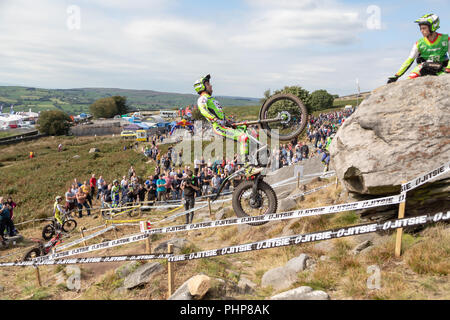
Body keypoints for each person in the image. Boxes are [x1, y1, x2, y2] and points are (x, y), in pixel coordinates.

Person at [194, 74, 262, 177]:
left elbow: (222, 116)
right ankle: (247, 168)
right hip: (219, 127)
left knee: (250, 132)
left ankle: (256, 160)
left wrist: (230, 122)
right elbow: (204, 111)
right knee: (243, 137)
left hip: (225, 125)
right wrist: (215, 119)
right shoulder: (203, 99)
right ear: (202, 86)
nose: (211, 86)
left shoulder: (212, 99)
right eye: (208, 84)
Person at [388, 14, 450, 83]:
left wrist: (448, 69)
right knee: (409, 80)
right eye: (420, 28)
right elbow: (409, 60)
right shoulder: (419, 43)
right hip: (424, 66)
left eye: (424, 28)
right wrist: (397, 75)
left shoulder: (446, 39)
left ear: (433, 27)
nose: (421, 31)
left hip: (442, 67)